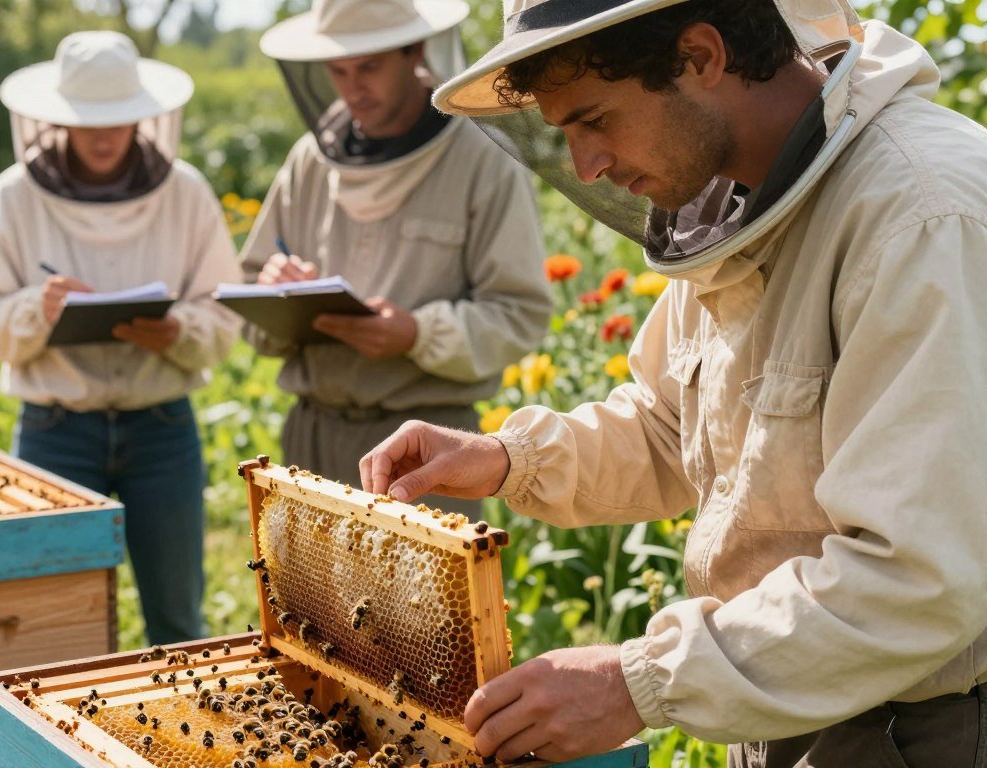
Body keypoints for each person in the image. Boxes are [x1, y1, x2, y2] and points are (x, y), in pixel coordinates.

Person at [362, 0, 987, 764]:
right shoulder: (734, 198)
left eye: (595, 119)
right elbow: (673, 424)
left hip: (926, 729)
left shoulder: (921, 214)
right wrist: (504, 458)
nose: (587, 165)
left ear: (700, 56)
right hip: (777, 703)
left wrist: (638, 682)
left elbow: (919, 575)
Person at [0, 31, 241, 646]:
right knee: (52, 625)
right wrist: (40, 308)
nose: (105, 136)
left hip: (162, 429)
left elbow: (226, 315)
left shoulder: (185, 192)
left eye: (120, 120)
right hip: (56, 431)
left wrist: (175, 332)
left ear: (145, 114)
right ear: (56, 118)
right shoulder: (14, 196)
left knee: (178, 621)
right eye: (88, 123)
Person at [239, 0, 552, 516]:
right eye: (337, 71)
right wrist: (277, 290)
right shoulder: (307, 161)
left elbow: (520, 315)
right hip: (310, 434)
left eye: (369, 67)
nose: (352, 86)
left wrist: (417, 334)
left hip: (425, 450)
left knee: (424, 601)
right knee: (306, 599)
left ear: (414, 51)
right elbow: (248, 301)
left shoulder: (482, 158)